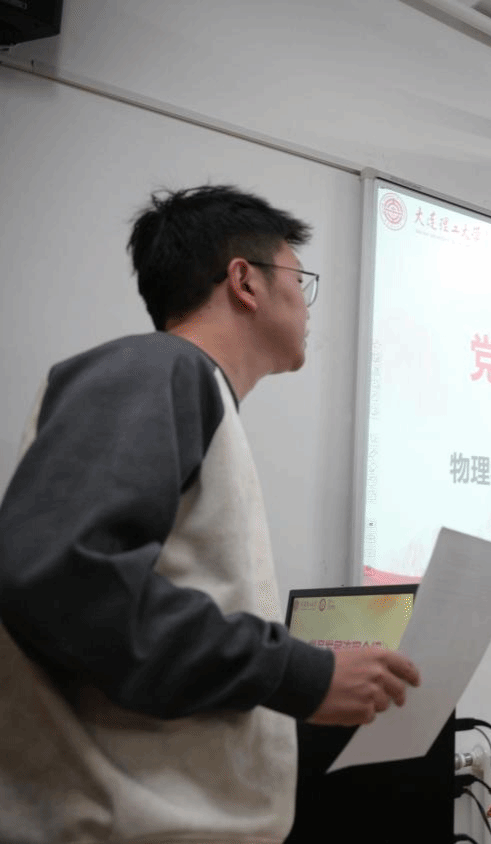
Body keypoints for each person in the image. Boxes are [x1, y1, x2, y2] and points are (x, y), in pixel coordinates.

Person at [0, 185, 420, 844]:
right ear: (245, 282)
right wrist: (300, 674)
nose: (306, 305)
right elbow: (62, 577)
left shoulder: (193, 392)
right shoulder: (157, 369)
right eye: (299, 280)